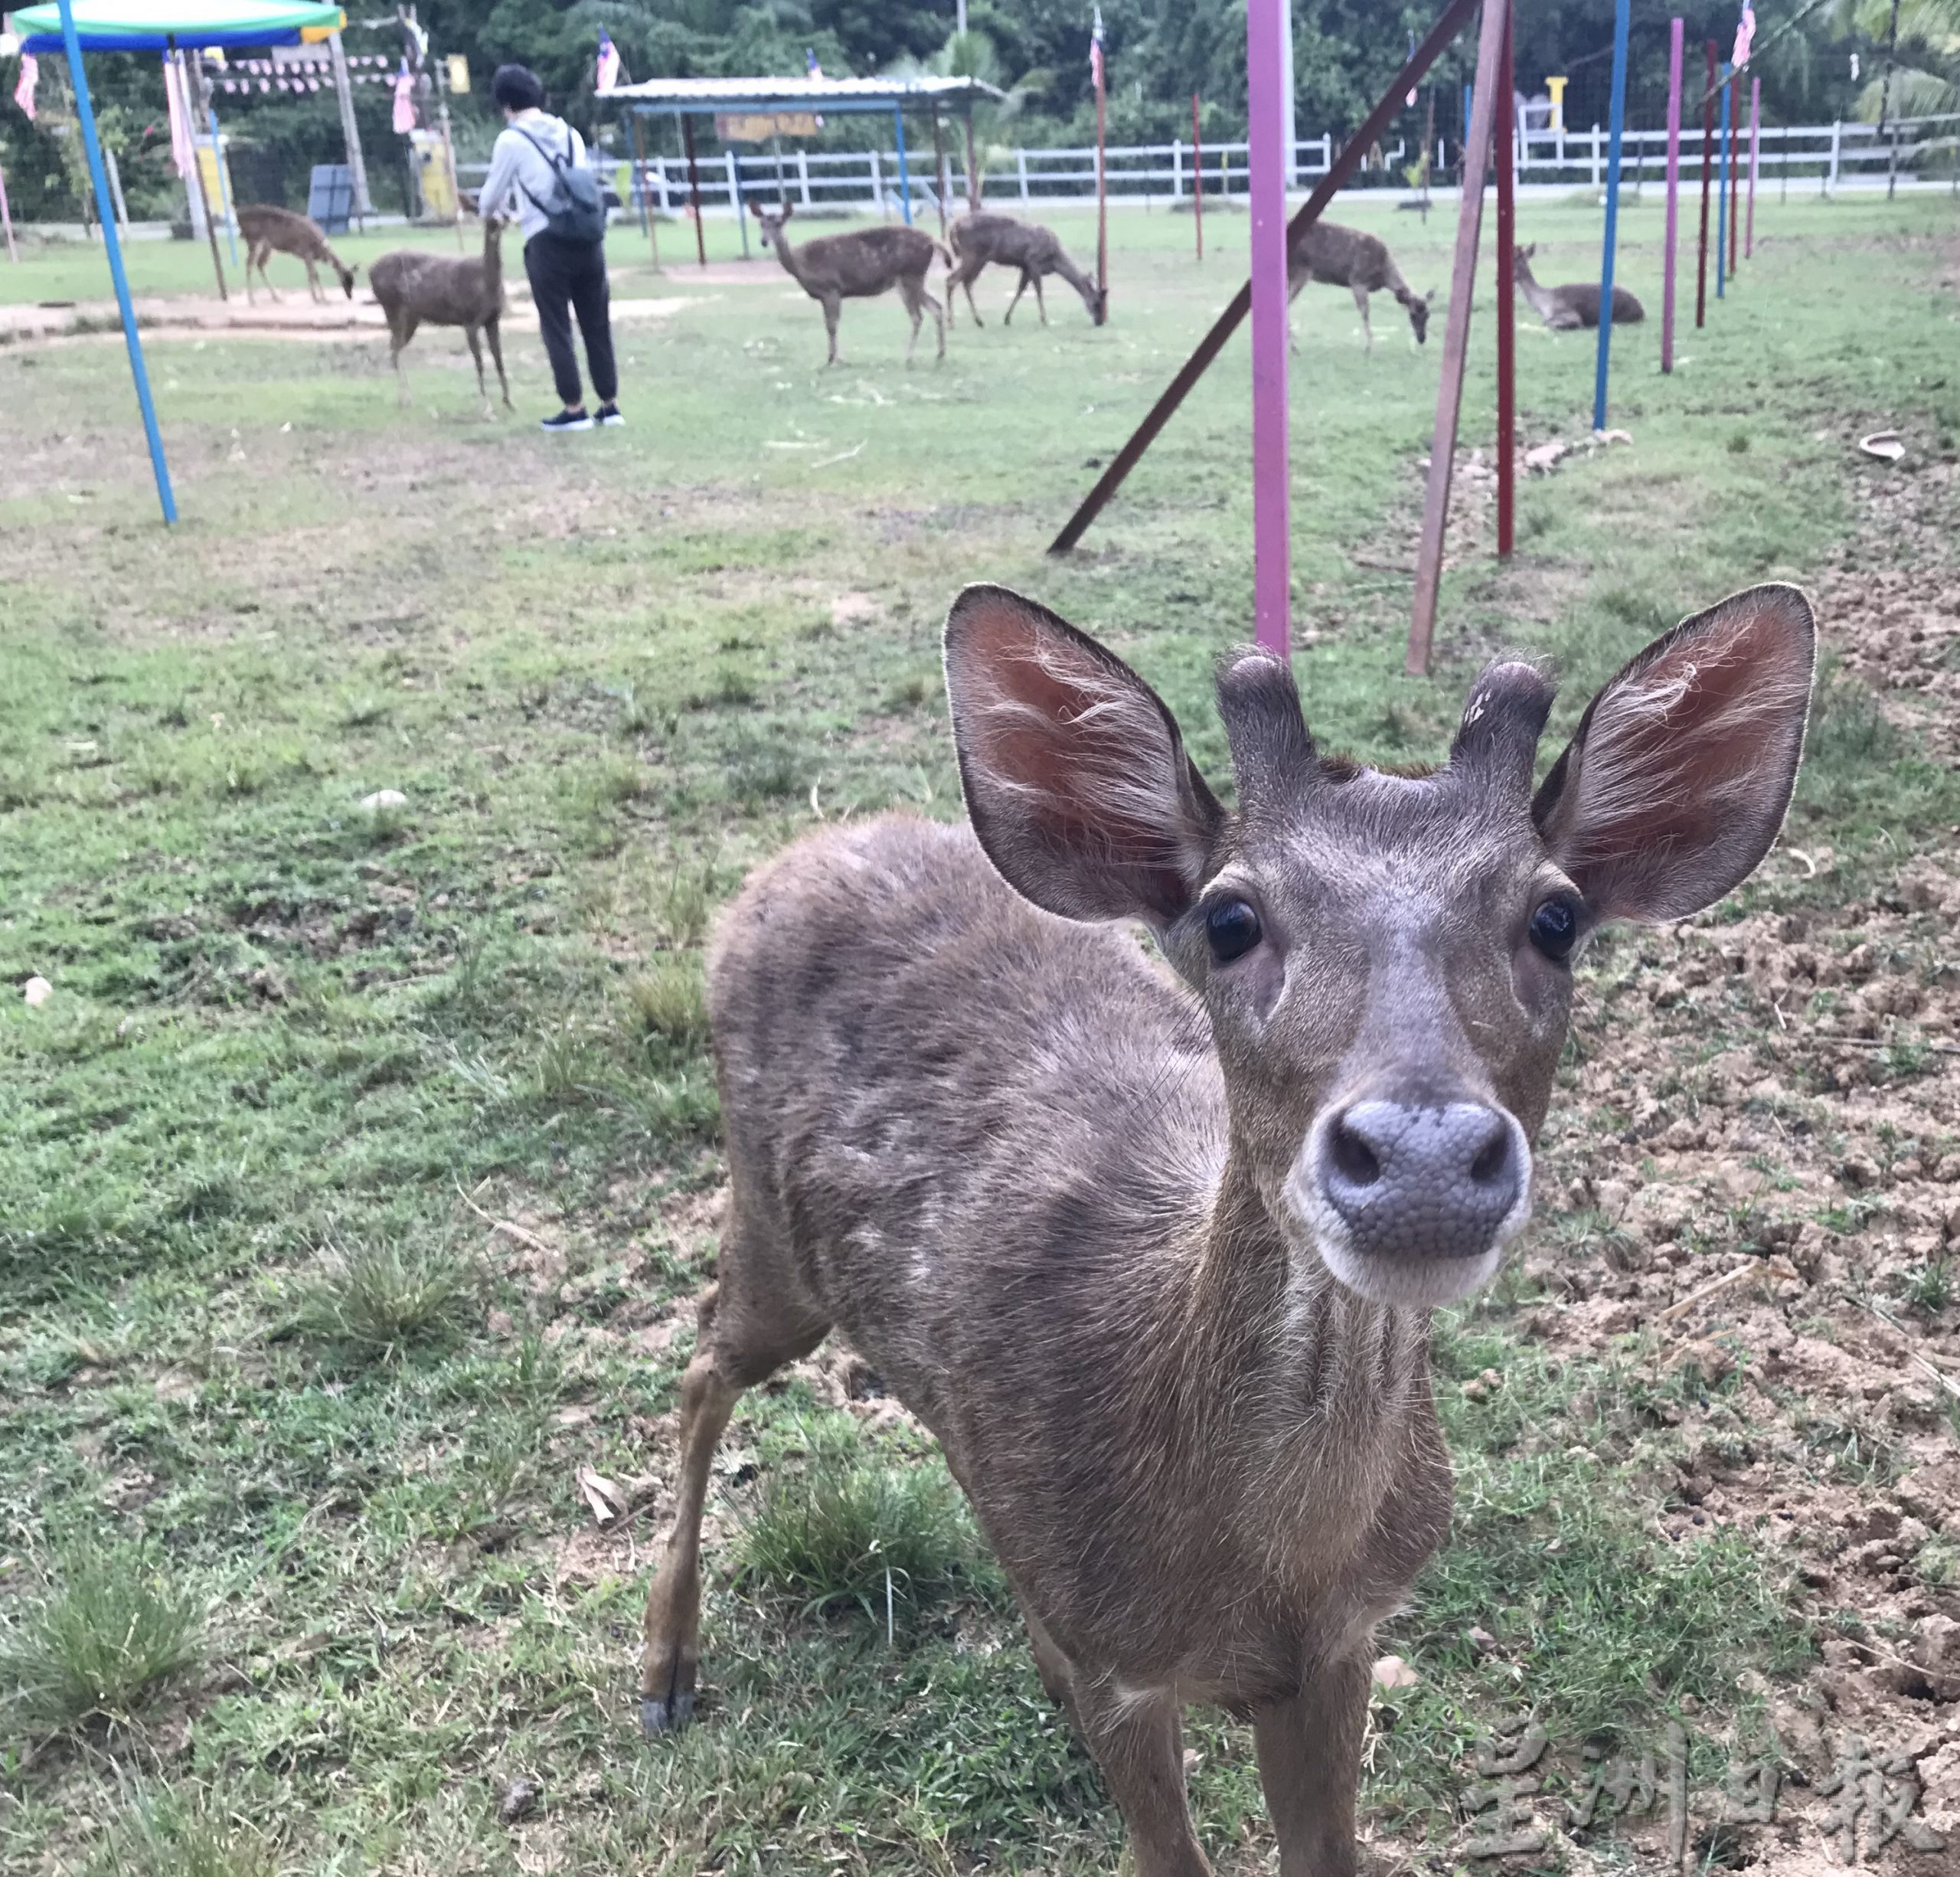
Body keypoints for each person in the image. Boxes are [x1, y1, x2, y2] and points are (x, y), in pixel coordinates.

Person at [479, 64, 621, 432]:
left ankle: (574, 409)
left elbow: (489, 199)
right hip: (588, 239)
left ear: (506, 105)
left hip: (546, 241)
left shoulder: (511, 140)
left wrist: (503, 211)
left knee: (557, 326)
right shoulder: (571, 134)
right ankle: (610, 405)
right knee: (596, 323)